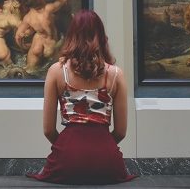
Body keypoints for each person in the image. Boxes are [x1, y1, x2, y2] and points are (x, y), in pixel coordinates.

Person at [28, 10, 135, 185]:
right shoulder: (116, 75)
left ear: (71, 36)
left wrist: (68, 149)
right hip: (107, 162)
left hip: (66, 160)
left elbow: (48, 130)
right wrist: (99, 147)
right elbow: (121, 132)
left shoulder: (56, 71)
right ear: (101, 36)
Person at [15, 0, 68, 71]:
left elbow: (17, 37)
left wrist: (23, 47)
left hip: (37, 45)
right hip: (51, 46)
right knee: (58, 72)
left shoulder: (27, 18)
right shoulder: (48, 9)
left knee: (29, 71)